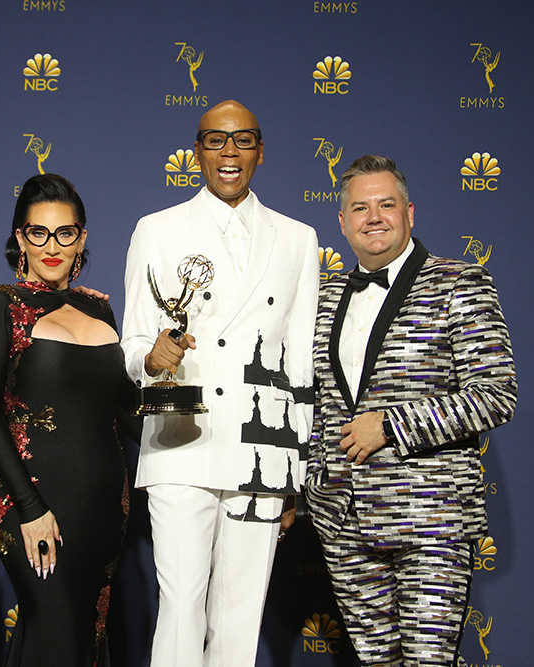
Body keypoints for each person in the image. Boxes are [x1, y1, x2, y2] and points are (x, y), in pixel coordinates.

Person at [121, 100, 319, 667]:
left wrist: (295, 473)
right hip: (181, 442)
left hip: (262, 451)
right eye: (215, 141)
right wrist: (152, 357)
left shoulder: (298, 239)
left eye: (243, 140)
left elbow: (300, 363)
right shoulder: (156, 229)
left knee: (241, 615)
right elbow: (133, 343)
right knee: (180, 606)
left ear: (261, 150)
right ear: (197, 151)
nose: (229, 153)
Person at [305, 155, 517, 666]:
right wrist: (311, 484)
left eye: (386, 204)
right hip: (343, 519)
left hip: (432, 518)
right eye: (360, 207)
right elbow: (309, 400)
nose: (373, 217)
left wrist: (392, 425)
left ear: (410, 212)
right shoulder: (323, 297)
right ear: (342, 221)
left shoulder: (459, 281)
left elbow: (495, 394)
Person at [0, 174, 131, 666]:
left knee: (84, 636)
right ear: (21, 238)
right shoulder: (2, 303)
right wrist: (30, 507)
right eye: (38, 232)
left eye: (65, 232)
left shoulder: (100, 307)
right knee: (54, 627)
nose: (52, 246)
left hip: (106, 506)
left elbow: (123, 408)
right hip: (35, 505)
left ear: (81, 237)